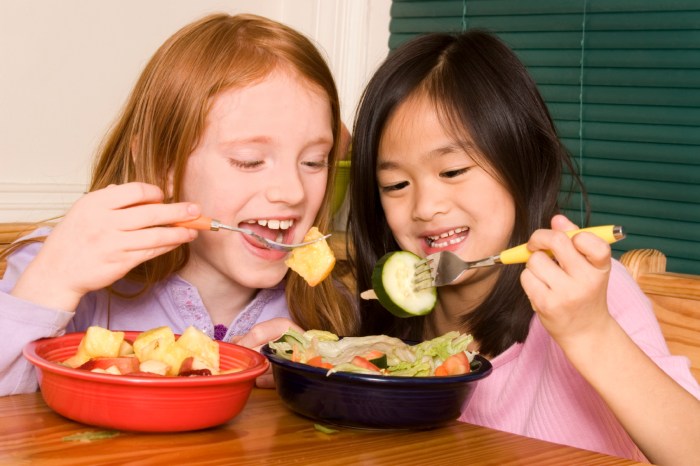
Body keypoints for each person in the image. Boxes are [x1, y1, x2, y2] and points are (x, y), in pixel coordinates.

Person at [347, 30, 699, 465]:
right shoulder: (389, 330)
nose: (426, 207)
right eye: (395, 184)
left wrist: (590, 332)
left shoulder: (591, 296)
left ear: (520, 162)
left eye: (453, 171)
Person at [0, 13, 356, 395]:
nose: (292, 191)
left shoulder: (329, 308)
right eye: (249, 160)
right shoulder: (56, 268)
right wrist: (51, 283)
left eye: (314, 162)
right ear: (162, 163)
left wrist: (311, 374)